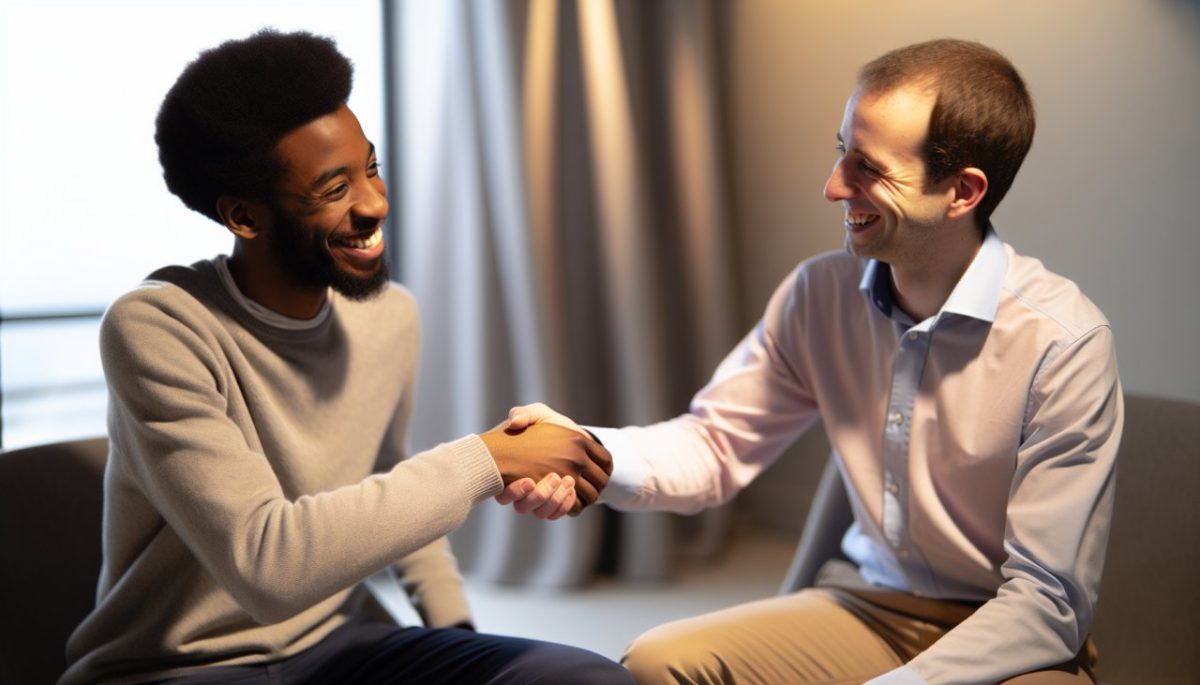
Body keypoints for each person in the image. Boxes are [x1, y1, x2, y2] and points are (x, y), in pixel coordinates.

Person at [505, 38, 1123, 684]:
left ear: (962, 192)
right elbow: (716, 445)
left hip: (1009, 637)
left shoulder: (1065, 345)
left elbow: (1046, 605)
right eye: (840, 153)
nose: (833, 187)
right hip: (866, 608)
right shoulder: (819, 296)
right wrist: (583, 451)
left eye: (868, 168)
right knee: (658, 665)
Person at [61, 29, 630, 685]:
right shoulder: (157, 326)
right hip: (174, 668)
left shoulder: (390, 316)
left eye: (372, 167)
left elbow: (388, 482)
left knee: (587, 678)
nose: (375, 204)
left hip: (338, 646)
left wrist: (457, 637)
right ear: (246, 217)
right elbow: (267, 565)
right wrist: (487, 458)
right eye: (335, 189)